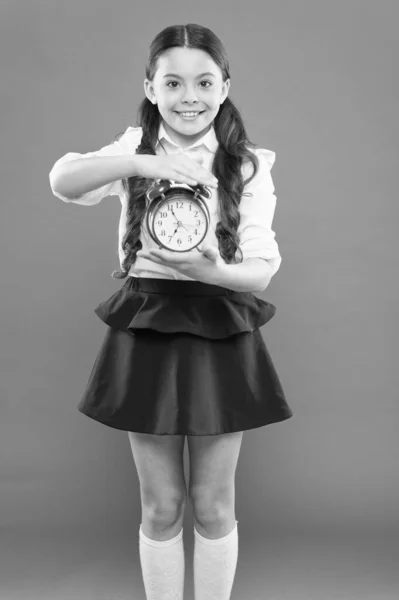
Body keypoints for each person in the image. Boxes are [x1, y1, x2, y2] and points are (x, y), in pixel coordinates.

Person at [49, 22, 293, 600]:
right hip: (147, 322)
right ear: (151, 88)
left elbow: (261, 265)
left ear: (225, 87)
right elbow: (62, 178)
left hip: (220, 322)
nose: (190, 97)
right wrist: (145, 166)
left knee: (213, 503)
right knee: (162, 505)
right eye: (174, 82)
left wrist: (212, 272)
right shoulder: (133, 151)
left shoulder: (248, 164)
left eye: (205, 82)